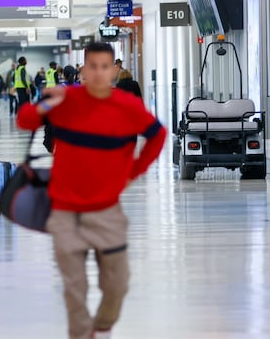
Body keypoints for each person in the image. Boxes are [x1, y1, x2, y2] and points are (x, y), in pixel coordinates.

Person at [17, 42, 166, 339]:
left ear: (114, 70)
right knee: (75, 289)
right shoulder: (66, 100)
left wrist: (134, 172)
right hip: (65, 211)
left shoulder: (126, 106)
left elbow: (157, 135)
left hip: (106, 211)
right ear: (84, 69)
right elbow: (25, 120)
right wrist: (48, 103)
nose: (98, 73)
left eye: (104, 67)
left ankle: (103, 326)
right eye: (92, 67)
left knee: (117, 283)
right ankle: (83, 334)